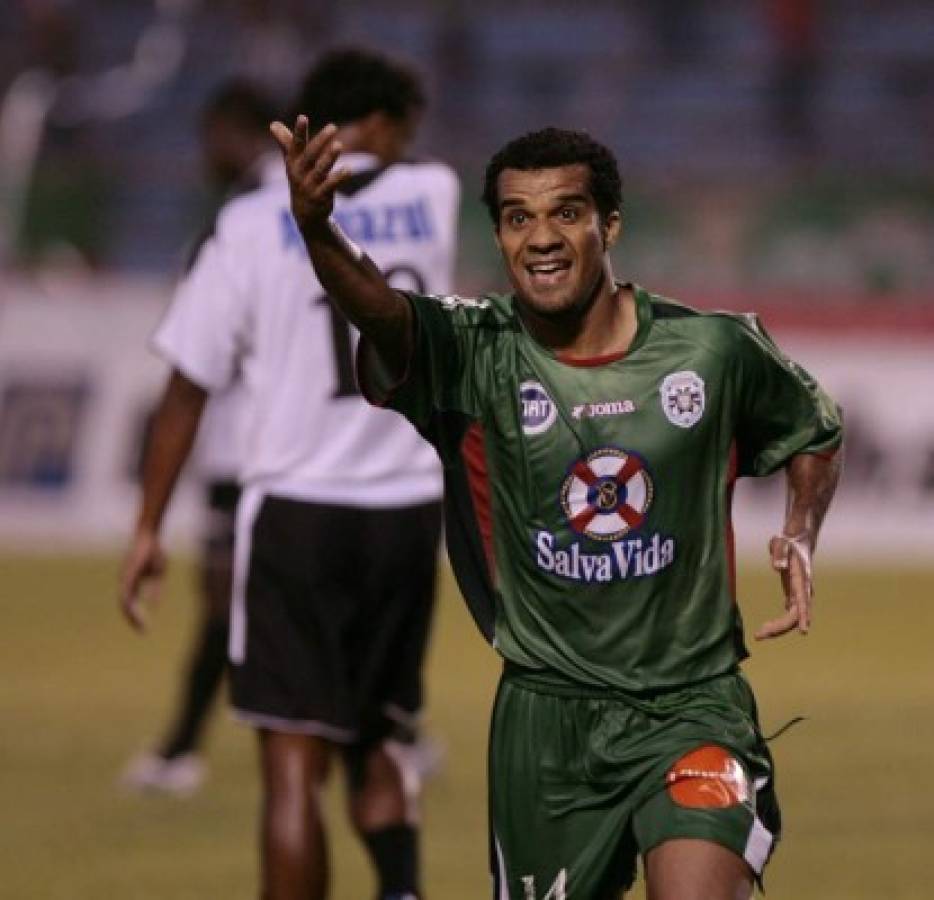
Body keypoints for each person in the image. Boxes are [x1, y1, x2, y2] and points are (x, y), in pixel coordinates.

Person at [269, 120, 844, 900]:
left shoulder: (713, 352)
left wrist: (800, 532)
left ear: (609, 226)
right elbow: (382, 311)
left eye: (566, 213)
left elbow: (813, 429)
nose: (541, 237)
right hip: (547, 727)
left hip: (693, 708)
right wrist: (317, 228)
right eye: (517, 217)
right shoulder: (471, 355)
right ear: (500, 236)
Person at [120, 49, 460, 900]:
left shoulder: (246, 222)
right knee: (380, 736)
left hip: (297, 511)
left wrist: (148, 526)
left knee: (291, 761)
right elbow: (394, 181)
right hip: (409, 508)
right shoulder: (438, 195)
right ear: (383, 121)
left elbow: (186, 383)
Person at [122, 79, 280, 797]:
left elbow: (194, 359)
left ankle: (181, 748)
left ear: (239, 131)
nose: (203, 154)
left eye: (211, 136)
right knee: (282, 598)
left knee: (225, 601)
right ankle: (397, 729)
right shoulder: (306, 203)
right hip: (291, 442)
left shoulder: (243, 217)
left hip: (245, 443)